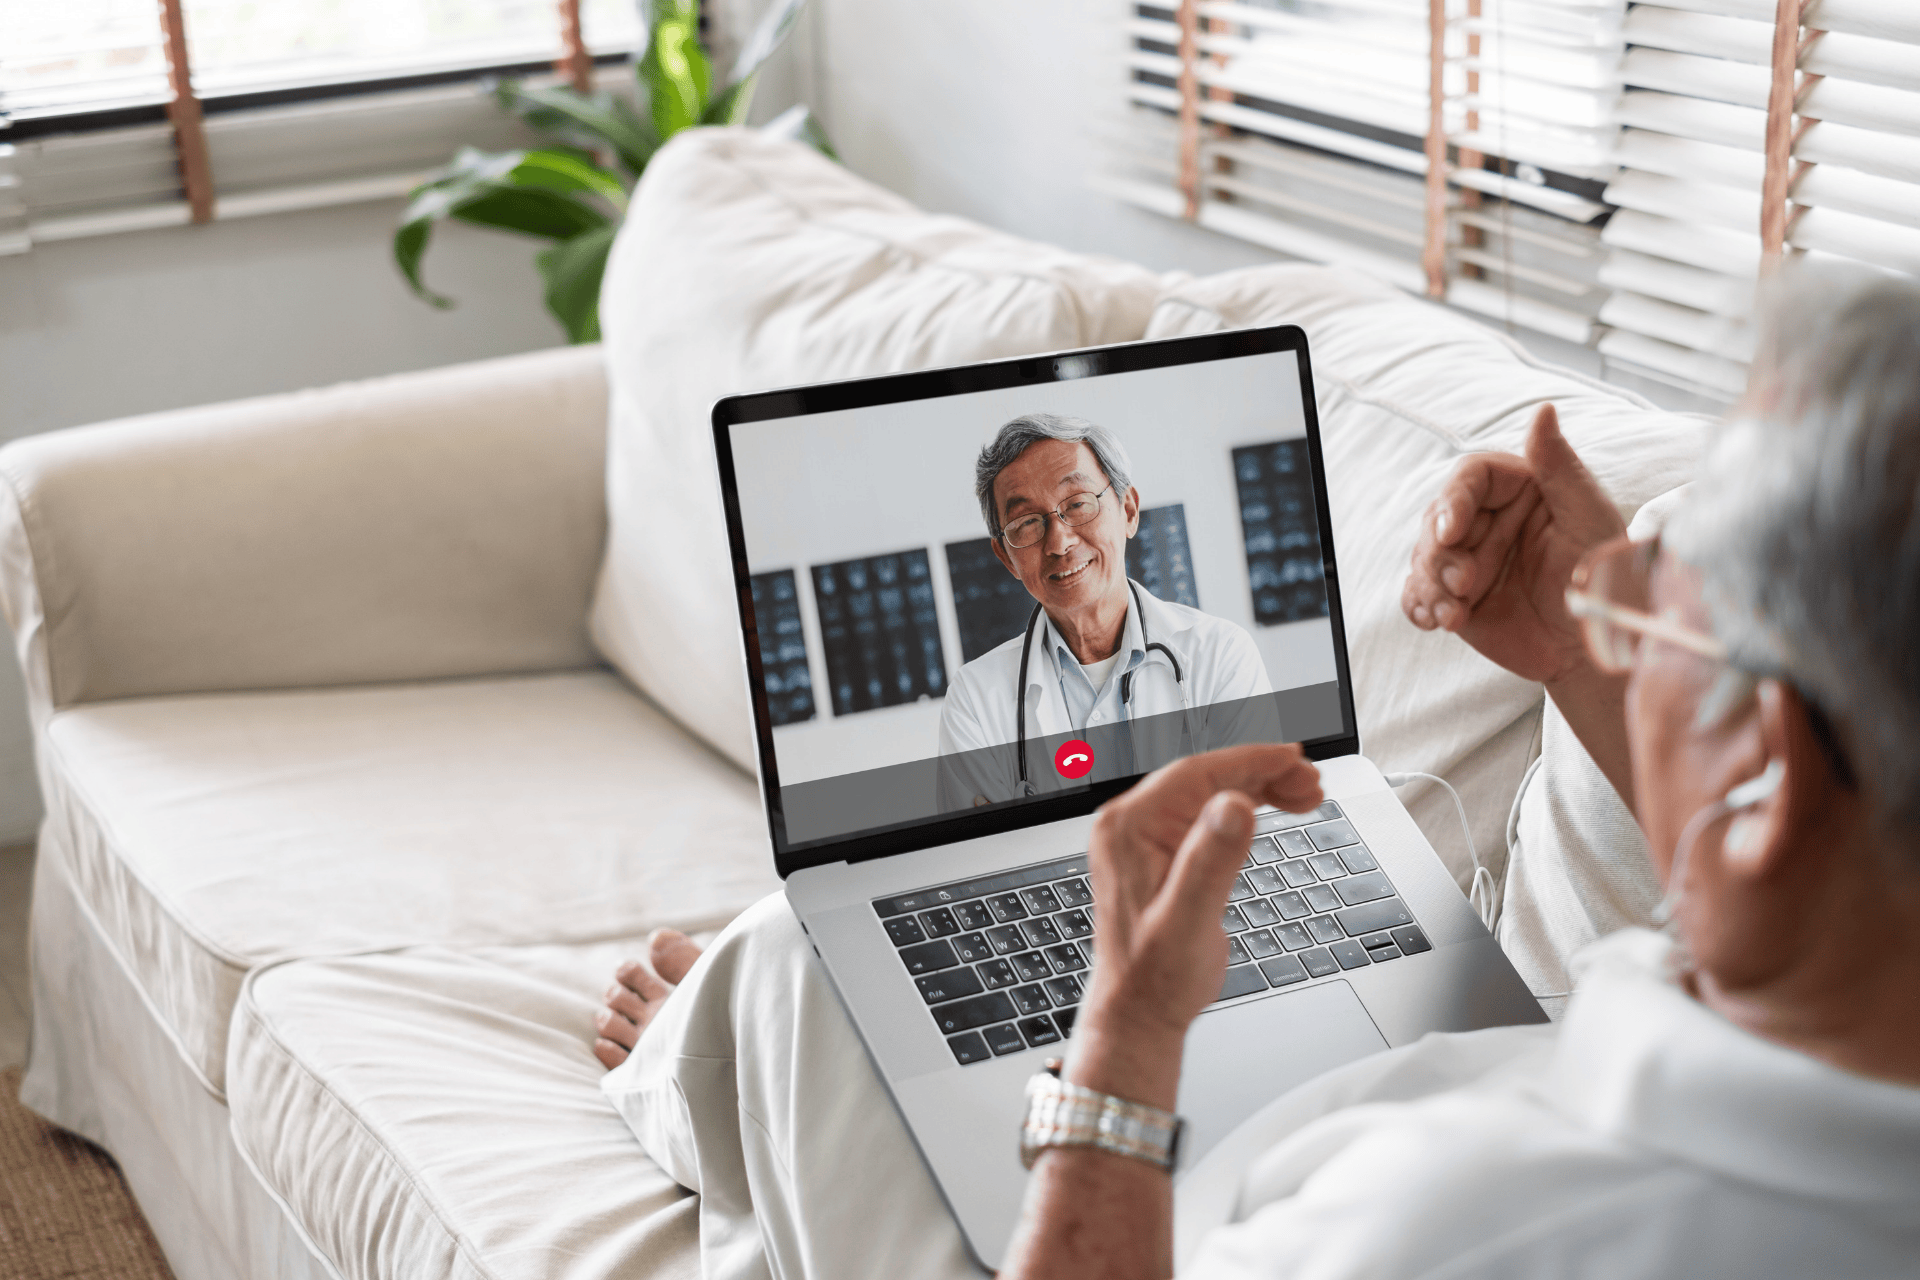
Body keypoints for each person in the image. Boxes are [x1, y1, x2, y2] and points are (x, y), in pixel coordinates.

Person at [593, 269, 1920, 1278]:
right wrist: (1596, 660)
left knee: (788, 973)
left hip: (1176, 1176)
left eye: (1665, 586)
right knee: (810, 977)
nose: (1615, 573)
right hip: (1413, 1064)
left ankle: (695, 1071)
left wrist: (1120, 1041)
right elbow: (1796, 863)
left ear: (1122, 513)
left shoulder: (1464, 1226)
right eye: (1023, 525)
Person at [936, 412, 1271, 801]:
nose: (1059, 543)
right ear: (1007, 557)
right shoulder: (974, 699)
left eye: (1077, 504)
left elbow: (1250, 826)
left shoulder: (1221, 654)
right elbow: (983, 858)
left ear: (1128, 510)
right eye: (1026, 522)